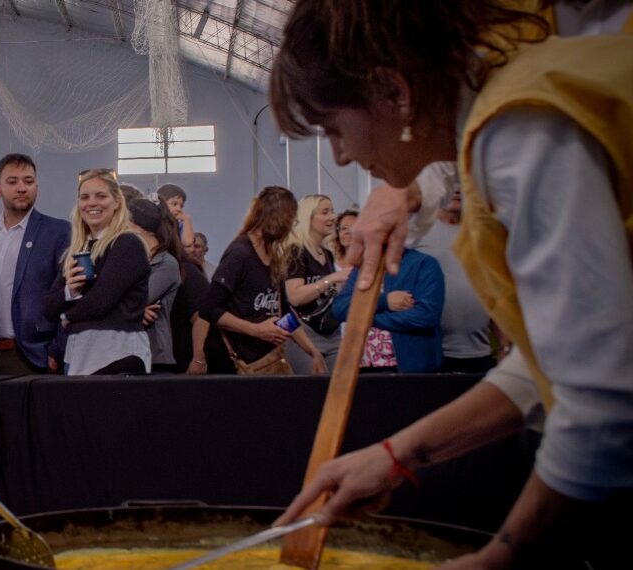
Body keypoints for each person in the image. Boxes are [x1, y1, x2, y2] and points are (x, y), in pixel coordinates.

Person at [270, 2, 633, 567]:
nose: (340, 154)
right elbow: (554, 364)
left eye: (335, 130)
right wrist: (395, 456)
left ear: (394, 91)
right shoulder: (501, 119)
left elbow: (604, 396)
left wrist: (501, 556)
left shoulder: (515, 132)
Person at [198, 186, 326, 375]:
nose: (291, 228)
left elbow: (284, 312)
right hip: (232, 361)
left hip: (266, 359)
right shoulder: (239, 254)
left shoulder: (273, 255)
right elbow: (209, 308)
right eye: (291, 221)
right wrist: (256, 330)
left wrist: (312, 351)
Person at [43, 168, 151, 375]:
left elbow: (102, 300)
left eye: (101, 196)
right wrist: (69, 292)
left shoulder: (128, 244)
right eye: (85, 197)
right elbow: (48, 307)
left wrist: (68, 315)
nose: (92, 203)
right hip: (80, 351)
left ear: (117, 202)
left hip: (118, 349)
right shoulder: (76, 251)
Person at [0, 153, 70, 375]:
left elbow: (68, 297)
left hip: (31, 355)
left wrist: (56, 350)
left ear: (36, 187)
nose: (21, 188)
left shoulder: (58, 232)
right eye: (12, 182)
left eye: (28, 181)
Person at [411, 163, 498, 373]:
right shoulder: (417, 233)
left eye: (462, 183)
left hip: (481, 352)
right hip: (432, 354)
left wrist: (504, 348)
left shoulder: (481, 234)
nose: (457, 188)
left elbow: (496, 291)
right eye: (451, 182)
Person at [333, 246, 445, 373]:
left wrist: (365, 318)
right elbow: (340, 308)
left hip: (409, 367)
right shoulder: (364, 266)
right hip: (361, 367)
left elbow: (426, 316)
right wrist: (384, 301)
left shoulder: (424, 264)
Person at [284, 194, 351, 373]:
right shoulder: (295, 251)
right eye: (325, 212)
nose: (332, 217)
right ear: (309, 217)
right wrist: (331, 279)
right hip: (304, 333)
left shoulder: (327, 254)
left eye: (333, 211)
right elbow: (295, 297)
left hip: (332, 331)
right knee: (311, 392)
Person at [128, 198, 181, 372]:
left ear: (136, 227)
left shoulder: (166, 264)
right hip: (127, 351)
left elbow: (138, 299)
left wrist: (134, 309)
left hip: (156, 355)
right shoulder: (133, 259)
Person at [157, 183, 195, 248]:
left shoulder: (177, 224)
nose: (179, 209)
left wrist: (187, 220)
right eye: (174, 204)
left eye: (181, 206)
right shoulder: (155, 221)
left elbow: (188, 242)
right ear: (161, 203)